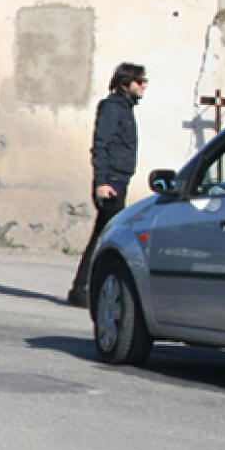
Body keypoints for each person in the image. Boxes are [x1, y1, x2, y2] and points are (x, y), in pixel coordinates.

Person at [67, 62, 147, 308]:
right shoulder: (113, 108)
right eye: (139, 82)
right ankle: (82, 289)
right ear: (125, 84)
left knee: (104, 235)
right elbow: (100, 145)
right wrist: (101, 181)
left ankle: (83, 288)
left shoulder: (124, 108)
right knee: (106, 236)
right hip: (110, 181)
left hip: (118, 180)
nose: (144, 86)